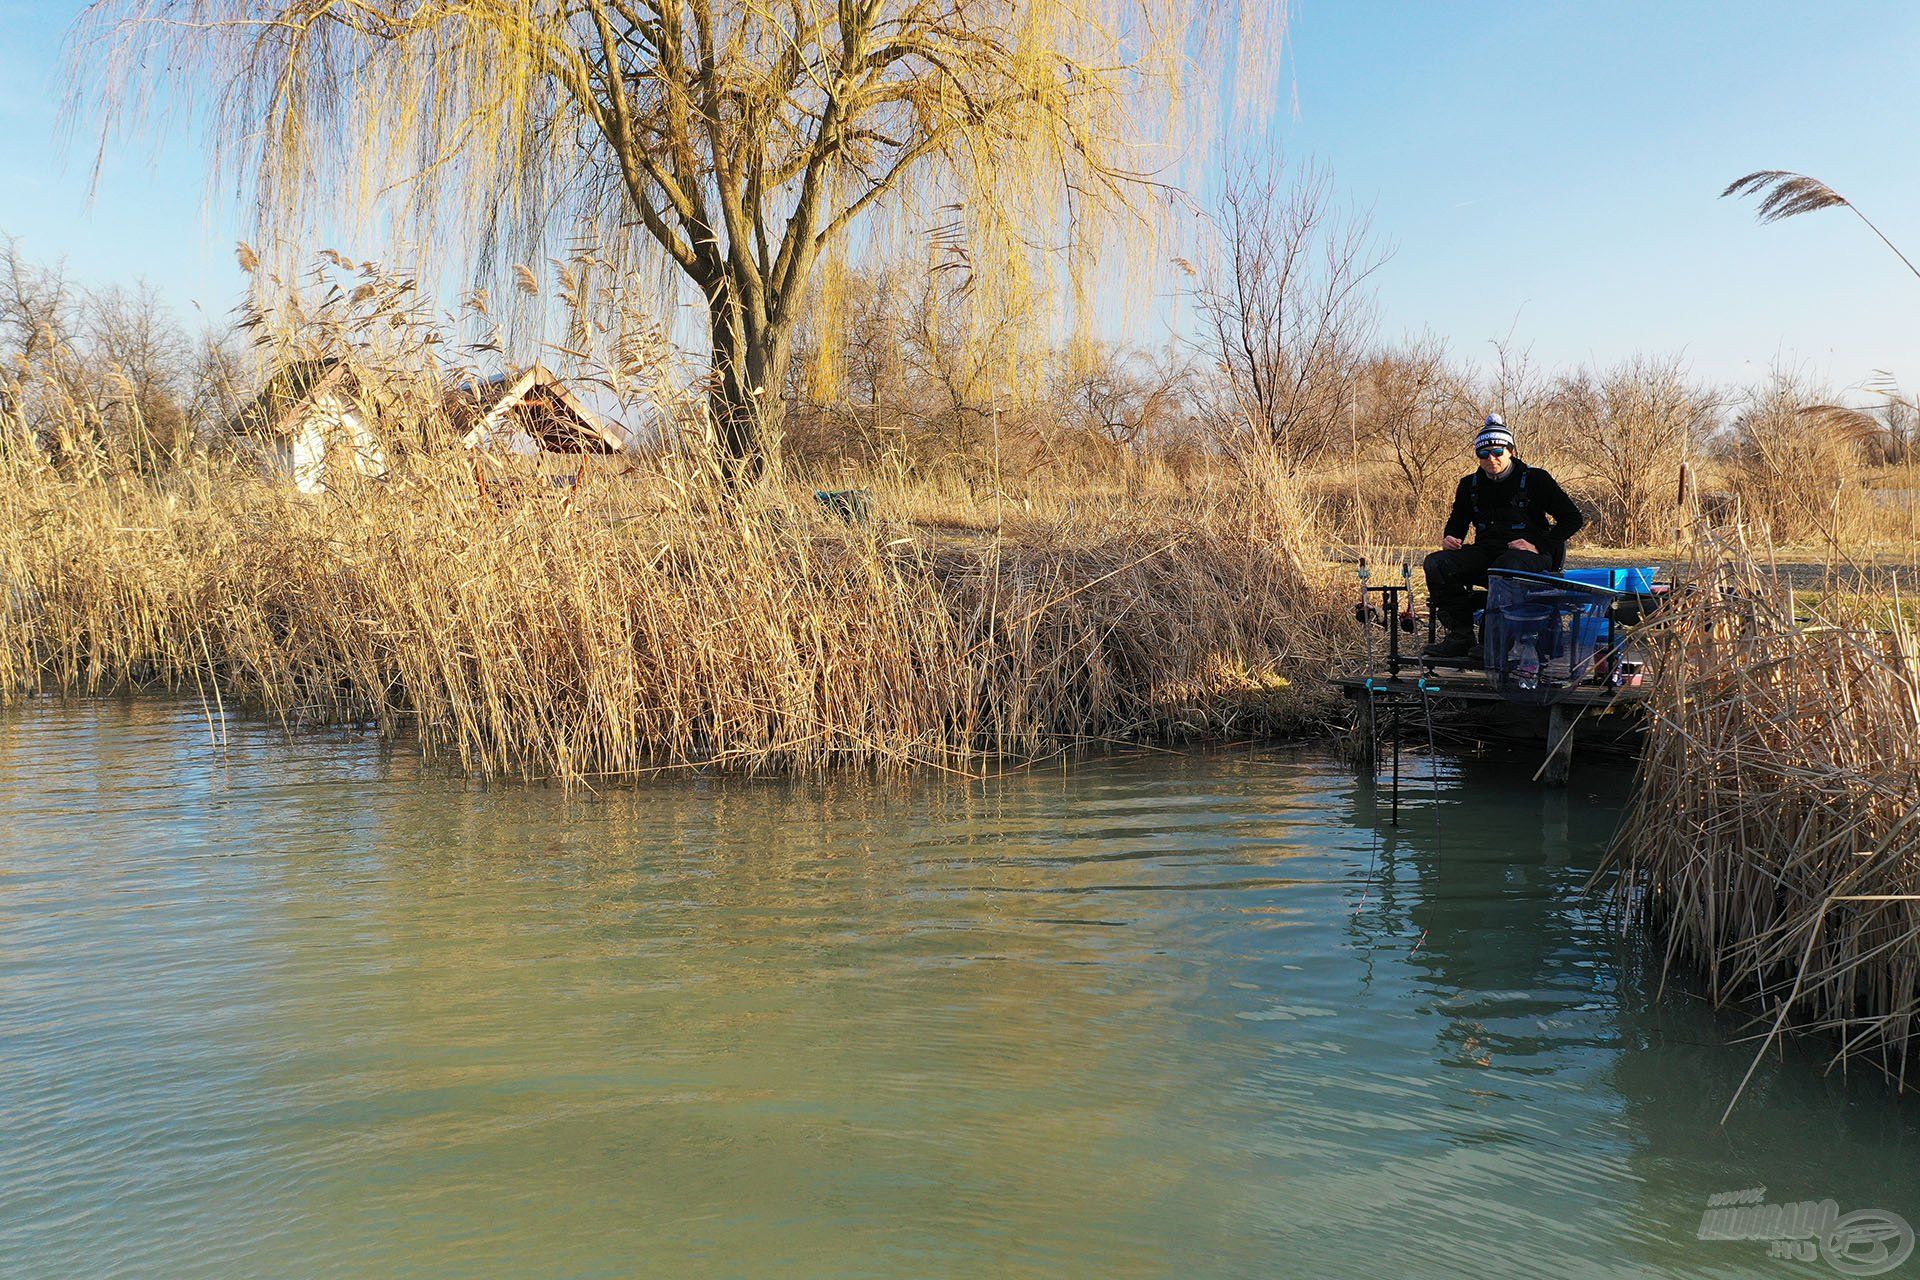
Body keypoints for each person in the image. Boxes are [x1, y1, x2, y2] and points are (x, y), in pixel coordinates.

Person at [1422, 414, 1586, 659]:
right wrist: (1451, 537)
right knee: (1437, 564)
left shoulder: (1535, 479)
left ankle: (1493, 641)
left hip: (1530, 556)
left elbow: (1573, 518)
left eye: (1498, 451)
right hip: (1486, 551)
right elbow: (1458, 521)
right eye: (1483, 454)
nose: (1491, 459)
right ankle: (1459, 635)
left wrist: (1538, 544)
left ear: (1510, 450)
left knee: (1504, 568)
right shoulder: (1469, 484)